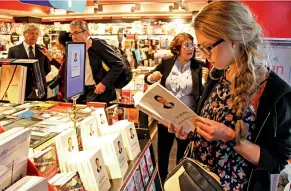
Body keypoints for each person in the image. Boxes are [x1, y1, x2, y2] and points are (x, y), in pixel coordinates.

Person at [168, 2, 291, 190]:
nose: (205, 55)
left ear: (233, 39)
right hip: (197, 181)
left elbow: (277, 162)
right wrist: (188, 128)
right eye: (200, 47)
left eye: (208, 47)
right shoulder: (217, 76)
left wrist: (230, 137)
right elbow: (208, 128)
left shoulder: (275, 92)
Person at [144, 33, 207, 183]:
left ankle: (180, 181)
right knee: (163, 150)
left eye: (192, 44)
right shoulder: (166, 62)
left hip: (187, 116)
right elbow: (148, 76)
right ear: (177, 48)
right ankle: (162, 179)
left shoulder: (199, 66)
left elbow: (203, 92)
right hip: (166, 115)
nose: (191, 48)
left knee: (184, 151)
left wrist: (207, 79)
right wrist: (152, 77)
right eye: (187, 45)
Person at [69, 20, 124, 103]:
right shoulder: (75, 48)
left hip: (98, 92)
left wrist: (103, 83)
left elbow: (118, 65)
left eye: (76, 33)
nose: (74, 37)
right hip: (81, 93)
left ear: (87, 33)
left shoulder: (98, 45)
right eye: (72, 34)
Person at [8, 24, 51, 100]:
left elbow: (47, 68)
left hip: (41, 89)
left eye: (37, 34)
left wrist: (38, 78)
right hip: (22, 89)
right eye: (32, 33)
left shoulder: (42, 49)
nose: (35, 36)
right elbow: (10, 71)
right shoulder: (13, 50)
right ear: (24, 34)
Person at [40, 31, 72, 100]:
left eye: (57, 40)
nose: (55, 42)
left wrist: (48, 86)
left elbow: (61, 74)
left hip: (66, 94)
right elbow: (63, 68)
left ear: (61, 45)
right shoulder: (68, 54)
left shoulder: (69, 57)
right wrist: (48, 55)